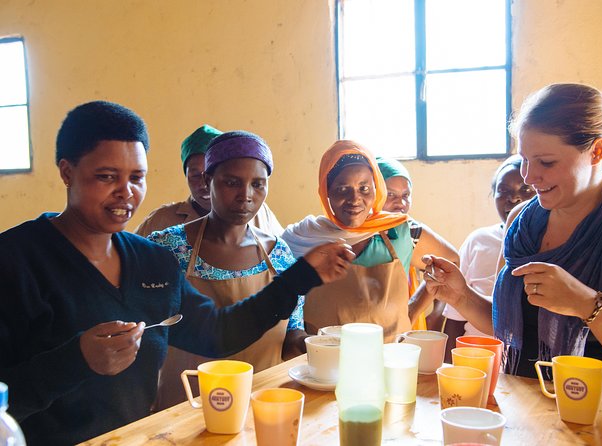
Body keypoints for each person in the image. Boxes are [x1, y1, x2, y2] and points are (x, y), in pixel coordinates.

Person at [0, 101, 354, 444]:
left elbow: (218, 333)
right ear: (66, 172)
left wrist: (301, 275)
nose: (126, 193)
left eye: (137, 177)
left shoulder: (150, 261)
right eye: (106, 177)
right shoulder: (16, 262)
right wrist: (76, 359)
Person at [423, 83, 602, 392]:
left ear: (597, 151)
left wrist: (587, 305)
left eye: (546, 162)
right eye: (524, 159)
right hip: (523, 410)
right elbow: (512, 329)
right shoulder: (521, 222)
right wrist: (461, 297)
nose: (528, 176)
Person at [148, 130, 308, 410]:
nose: (245, 196)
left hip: (261, 406)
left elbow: (292, 333)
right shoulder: (167, 248)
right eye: (232, 183)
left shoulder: (279, 254)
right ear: (208, 180)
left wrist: (320, 346)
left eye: (258, 184)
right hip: (184, 410)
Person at [282, 140, 454, 341]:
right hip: (325, 364)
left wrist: (414, 310)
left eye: (364, 188)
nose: (354, 199)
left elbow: (451, 263)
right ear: (326, 191)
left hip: (388, 362)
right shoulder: (299, 238)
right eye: (342, 189)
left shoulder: (400, 232)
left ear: (376, 188)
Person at [433, 155, 536, 360]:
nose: (514, 199)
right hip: (474, 358)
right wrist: (448, 370)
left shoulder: (552, 243)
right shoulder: (479, 241)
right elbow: (454, 318)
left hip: (526, 364)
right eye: (503, 191)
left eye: (525, 190)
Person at [135, 124, 283, 237]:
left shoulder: (261, 214)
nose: (204, 185)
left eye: (230, 181)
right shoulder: (161, 222)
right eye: (195, 175)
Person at [376, 156, 460, 331]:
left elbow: (451, 262)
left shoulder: (408, 231)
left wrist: (418, 309)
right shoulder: (353, 230)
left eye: (406, 195)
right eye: (390, 194)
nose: (401, 203)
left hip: (397, 332)